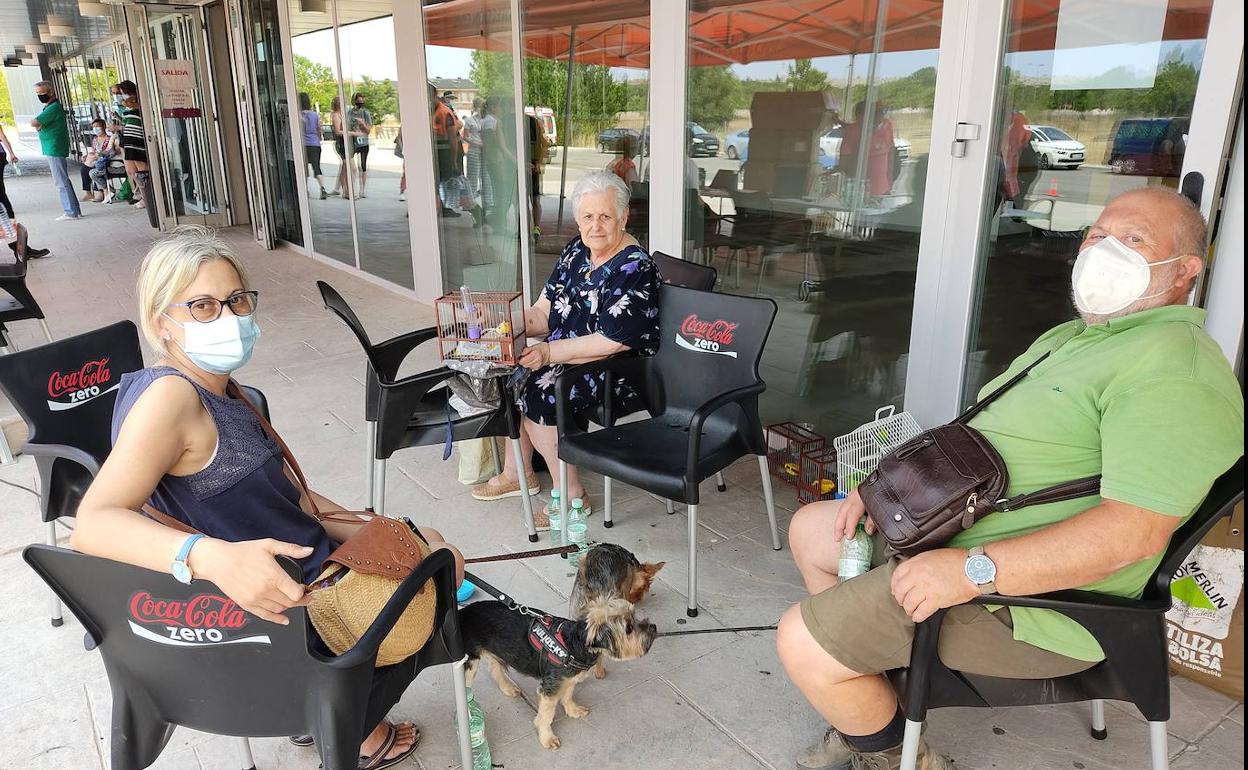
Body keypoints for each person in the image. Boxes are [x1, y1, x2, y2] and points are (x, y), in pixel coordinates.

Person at [776, 186, 1244, 770]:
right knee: (812, 531)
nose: (1103, 251)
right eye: (1097, 235)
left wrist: (971, 571)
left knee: (799, 643)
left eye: (1134, 240)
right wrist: (884, 490)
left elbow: (1133, 535)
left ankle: (891, 750)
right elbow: (977, 435)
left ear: (1185, 272)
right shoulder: (1085, 337)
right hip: (960, 525)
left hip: (1038, 603)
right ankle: (869, 679)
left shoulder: (1177, 373)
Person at [72, 226, 464, 768]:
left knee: (428, 544)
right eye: (203, 306)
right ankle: (352, 722)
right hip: (285, 610)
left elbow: (292, 497)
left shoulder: (215, 388)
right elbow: (91, 524)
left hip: (289, 580)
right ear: (163, 322)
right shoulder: (170, 399)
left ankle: (333, 711)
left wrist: (382, 531)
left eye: (236, 300)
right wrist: (209, 557)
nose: (228, 317)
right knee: (444, 570)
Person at [470, 171, 661, 528]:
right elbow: (544, 312)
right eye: (588, 217)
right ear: (578, 219)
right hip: (569, 353)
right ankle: (518, 472)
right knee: (508, 370)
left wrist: (547, 354)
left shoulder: (634, 267)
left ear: (623, 217)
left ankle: (572, 493)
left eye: (605, 216)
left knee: (542, 389)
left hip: (618, 366)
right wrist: (506, 320)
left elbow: (611, 341)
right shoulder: (577, 250)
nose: (596, 226)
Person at [30, 81, 83, 221]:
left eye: (42, 93)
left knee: (60, 181)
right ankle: (74, 210)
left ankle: (71, 211)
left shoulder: (52, 108)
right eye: (37, 94)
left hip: (54, 147)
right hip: (54, 146)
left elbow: (34, 122)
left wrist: (39, 126)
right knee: (63, 179)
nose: (40, 96)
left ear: (50, 92)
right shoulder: (51, 107)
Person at [838, 100, 896, 198]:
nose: (882, 114)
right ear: (864, 115)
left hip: (883, 188)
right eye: (879, 111)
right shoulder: (853, 130)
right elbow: (844, 162)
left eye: (884, 111)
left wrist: (890, 179)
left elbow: (891, 151)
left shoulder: (887, 125)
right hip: (860, 191)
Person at [114, 81, 150, 209]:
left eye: (120, 93)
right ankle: (143, 195)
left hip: (137, 139)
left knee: (142, 170)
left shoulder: (137, 105)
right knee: (131, 171)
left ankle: (149, 197)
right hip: (128, 140)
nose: (119, 96)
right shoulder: (126, 106)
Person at [431, 83, 460, 218]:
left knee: (445, 181)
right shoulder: (430, 111)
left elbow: (452, 138)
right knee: (435, 182)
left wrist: (453, 160)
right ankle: (440, 206)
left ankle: (446, 207)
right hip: (435, 153)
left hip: (444, 153)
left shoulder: (444, 112)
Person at [79, 118, 120, 203]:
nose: (95, 129)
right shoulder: (95, 139)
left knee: (89, 168)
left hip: (105, 160)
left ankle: (101, 191)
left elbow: (111, 152)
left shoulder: (109, 139)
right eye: (93, 127)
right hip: (96, 160)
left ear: (103, 127)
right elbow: (94, 151)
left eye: (97, 126)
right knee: (84, 168)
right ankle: (90, 192)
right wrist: (87, 156)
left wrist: (100, 155)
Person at [462, 98, 489, 225]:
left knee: (485, 178)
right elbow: (465, 136)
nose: (481, 108)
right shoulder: (469, 120)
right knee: (472, 180)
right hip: (474, 152)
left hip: (485, 152)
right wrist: (478, 143)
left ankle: (486, 206)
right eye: (479, 106)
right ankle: (472, 206)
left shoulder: (485, 119)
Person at [299, 93, 327, 200]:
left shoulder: (298, 115)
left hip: (303, 144)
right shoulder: (315, 115)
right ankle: (323, 188)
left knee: (303, 168)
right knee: (316, 167)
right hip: (315, 144)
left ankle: (305, 190)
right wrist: (318, 138)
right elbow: (319, 129)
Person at [527, 112, 550, 236]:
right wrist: (539, 163)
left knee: (533, 199)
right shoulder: (532, 122)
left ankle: (534, 228)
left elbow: (544, 144)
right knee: (534, 199)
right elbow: (544, 144)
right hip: (532, 165)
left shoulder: (531, 122)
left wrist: (538, 163)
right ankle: (533, 227)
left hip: (531, 166)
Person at [347, 92, 373, 199]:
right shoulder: (350, 113)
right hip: (353, 142)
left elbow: (368, 130)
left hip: (363, 142)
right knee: (352, 166)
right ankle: (352, 189)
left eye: (362, 101)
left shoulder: (365, 113)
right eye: (358, 101)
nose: (360, 103)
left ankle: (362, 190)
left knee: (363, 165)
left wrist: (362, 123)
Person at [330, 96, 350, 198]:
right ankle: (346, 190)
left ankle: (341, 189)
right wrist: (350, 133)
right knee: (348, 167)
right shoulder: (336, 116)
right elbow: (338, 131)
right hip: (340, 143)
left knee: (345, 166)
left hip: (345, 142)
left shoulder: (343, 114)